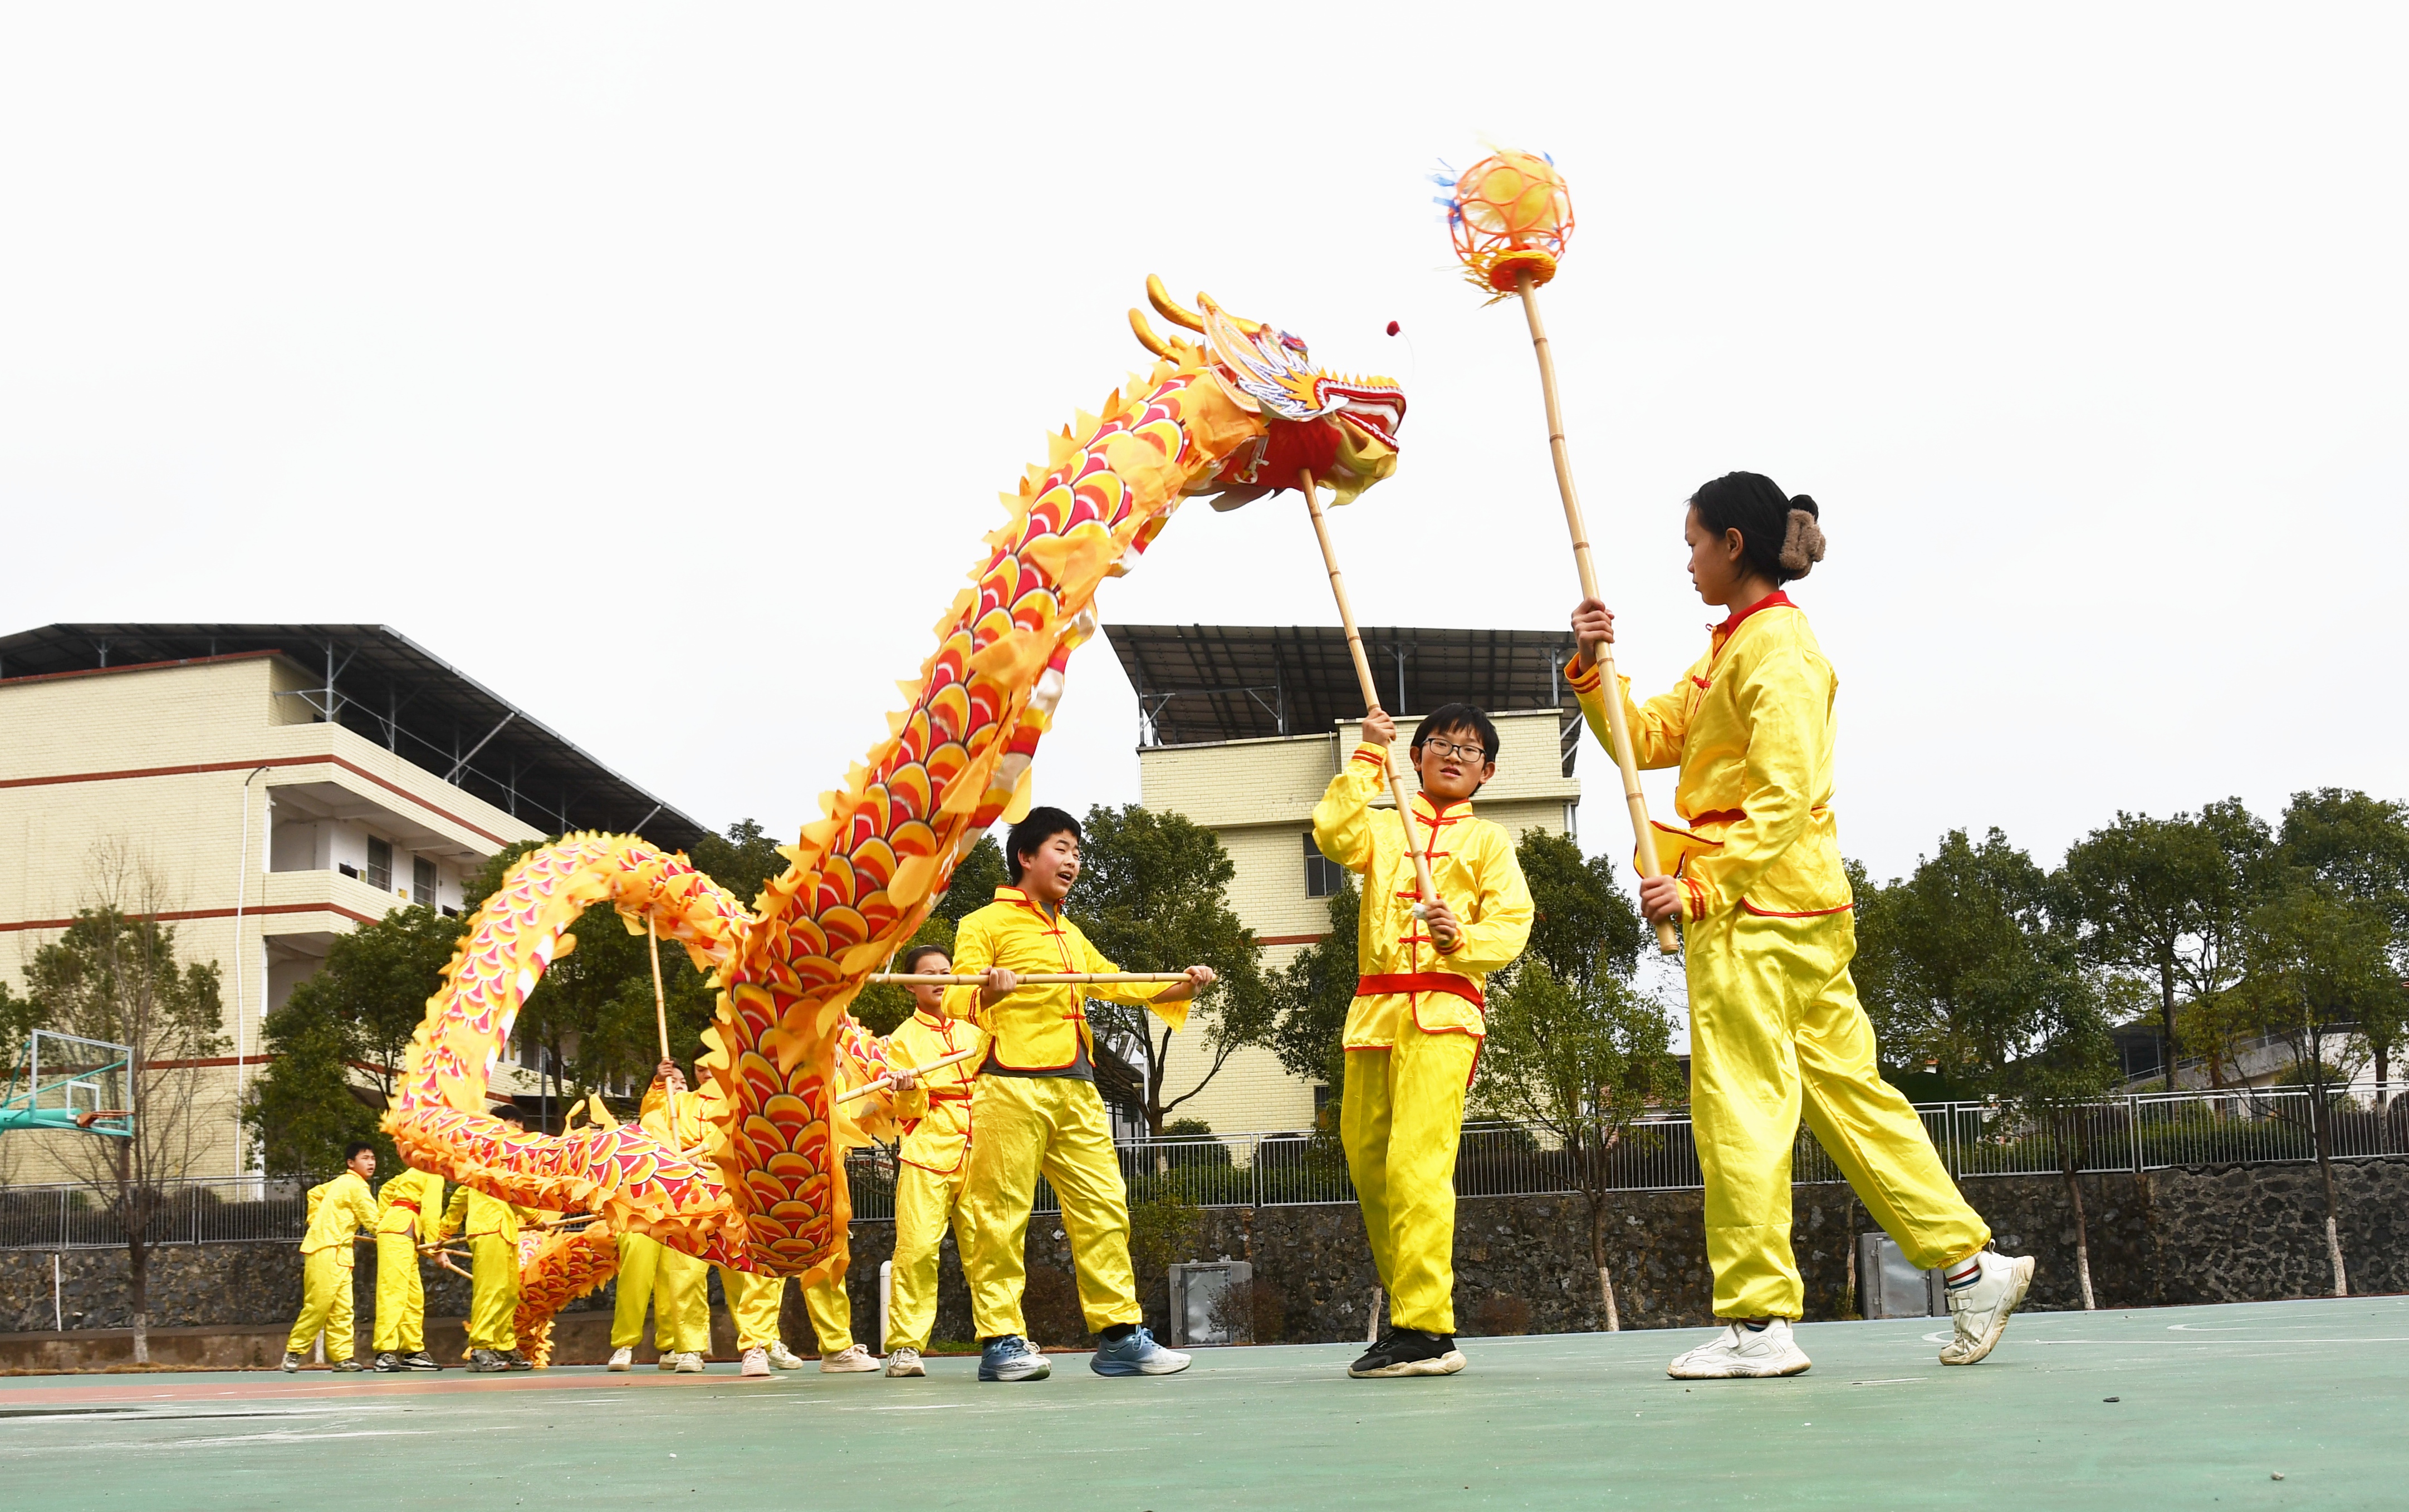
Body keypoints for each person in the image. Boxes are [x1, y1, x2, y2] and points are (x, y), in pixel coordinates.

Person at [1566, 470, 2034, 1380]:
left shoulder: (1777, 652)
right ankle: (1973, 1272)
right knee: (1851, 1097)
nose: (1688, 559)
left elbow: (1782, 797)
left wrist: (1703, 889)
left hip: (1755, 910)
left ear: (1731, 544)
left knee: (1739, 1103)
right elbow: (1651, 734)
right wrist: (1592, 667)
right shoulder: (1736, 647)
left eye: (1695, 540)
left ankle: (1757, 1321)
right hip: (1796, 909)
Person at [947, 806, 1216, 1382]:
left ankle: (1120, 1336)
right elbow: (955, 1003)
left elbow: (1115, 981)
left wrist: (1180, 983)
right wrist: (991, 992)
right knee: (997, 1216)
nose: (1073, 860)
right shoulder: (983, 924)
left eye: (1077, 851)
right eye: (1061, 848)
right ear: (1026, 855)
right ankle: (1001, 1341)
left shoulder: (1069, 933)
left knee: (1104, 1209)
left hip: (1076, 1085)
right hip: (1008, 1083)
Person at [1314, 704, 1534, 1380]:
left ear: (1487, 772)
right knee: (1372, 1166)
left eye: (1468, 751)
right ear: (1417, 756)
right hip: (1373, 1012)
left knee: (1417, 1166)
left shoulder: (1489, 843)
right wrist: (1366, 754)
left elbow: (1513, 923)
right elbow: (1331, 834)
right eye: (1438, 742)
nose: (1451, 755)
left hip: (1444, 1008)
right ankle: (1413, 1318)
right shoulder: (1385, 828)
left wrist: (1458, 937)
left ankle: (1427, 1329)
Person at [879, 942, 987, 1378]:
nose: (941, 979)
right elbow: (906, 1113)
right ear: (910, 985)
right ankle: (905, 1346)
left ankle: (1005, 1336)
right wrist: (906, 1088)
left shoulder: (977, 1030)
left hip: (981, 1147)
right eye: (929, 973)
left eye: (947, 971)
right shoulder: (902, 1040)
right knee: (918, 1250)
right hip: (927, 1153)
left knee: (991, 1248)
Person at [607, 1062, 713, 1374]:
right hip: (643, 1207)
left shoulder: (697, 1118)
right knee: (635, 1275)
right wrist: (658, 1082)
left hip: (683, 1209)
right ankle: (624, 1345)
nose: (677, 1086)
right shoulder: (654, 1117)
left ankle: (672, 1345)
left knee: (678, 1277)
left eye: (682, 1082)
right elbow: (651, 1113)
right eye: (672, 1081)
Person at [436, 1107, 539, 1372]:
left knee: (508, 1293)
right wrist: (445, 1233)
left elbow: (512, 1195)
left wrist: (534, 1219)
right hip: (487, 1231)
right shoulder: (482, 1160)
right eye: (511, 1123)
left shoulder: (503, 1163)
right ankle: (481, 1349)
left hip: (505, 1231)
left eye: (520, 1124)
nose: (517, 1129)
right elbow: (464, 1195)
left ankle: (503, 1346)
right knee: (490, 1292)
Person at [282, 1141, 381, 1372]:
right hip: (325, 1249)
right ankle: (294, 1352)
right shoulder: (355, 1186)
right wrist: (397, 1234)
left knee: (343, 1308)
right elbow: (375, 1221)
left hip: (341, 1252)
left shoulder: (340, 1183)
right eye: (365, 1158)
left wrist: (316, 1219)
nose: (371, 1163)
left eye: (373, 1158)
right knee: (319, 1304)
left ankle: (343, 1356)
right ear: (351, 1163)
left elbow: (314, 1193)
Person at [371, 1159, 445, 1371]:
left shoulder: (415, 1171)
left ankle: (413, 1350)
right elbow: (431, 1213)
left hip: (402, 1231)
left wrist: (385, 1218)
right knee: (393, 1291)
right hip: (399, 1232)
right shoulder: (434, 1173)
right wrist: (436, 1250)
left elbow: (386, 1191)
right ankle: (384, 1351)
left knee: (413, 1295)